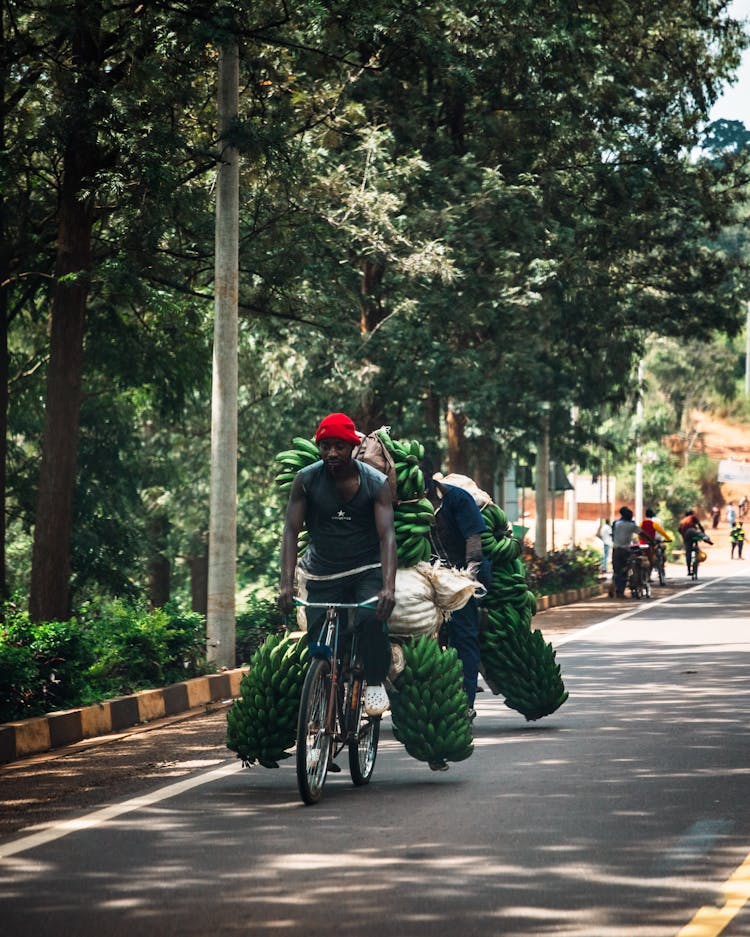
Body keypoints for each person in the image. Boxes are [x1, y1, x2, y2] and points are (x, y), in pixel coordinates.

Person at [278, 412, 397, 727]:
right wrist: (286, 584)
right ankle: (327, 702)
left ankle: (372, 681)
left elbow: (387, 536)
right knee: (321, 647)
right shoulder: (306, 480)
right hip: (322, 572)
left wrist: (388, 586)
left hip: (367, 568)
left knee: (372, 620)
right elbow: (290, 531)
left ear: (352, 447)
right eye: (325, 446)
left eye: (339, 447)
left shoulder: (376, 483)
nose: (331, 453)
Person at [421, 459, 489, 732]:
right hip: (428, 573)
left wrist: (467, 580)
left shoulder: (457, 499)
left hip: (463, 572)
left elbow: (474, 541)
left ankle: (465, 705)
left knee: (465, 637)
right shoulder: (407, 504)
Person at [610, 506, 650, 598]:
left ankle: (618, 590)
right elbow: (642, 533)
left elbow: (612, 534)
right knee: (627, 570)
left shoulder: (616, 523)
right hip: (626, 550)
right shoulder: (632, 525)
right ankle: (623, 589)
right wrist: (650, 541)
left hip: (616, 549)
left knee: (617, 571)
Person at [639, 508, 672, 575]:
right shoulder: (654, 524)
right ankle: (660, 566)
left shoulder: (641, 523)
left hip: (642, 543)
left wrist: (640, 540)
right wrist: (668, 539)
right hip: (652, 543)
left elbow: (639, 533)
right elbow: (662, 532)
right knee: (653, 556)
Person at [678, 509, 706, 576]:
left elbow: (679, 530)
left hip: (686, 537)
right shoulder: (692, 517)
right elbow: (700, 526)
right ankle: (696, 550)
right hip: (693, 534)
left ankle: (688, 570)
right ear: (691, 514)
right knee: (696, 539)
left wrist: (684, 537)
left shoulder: (682, 521)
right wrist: (703, 533)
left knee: (688, 553)